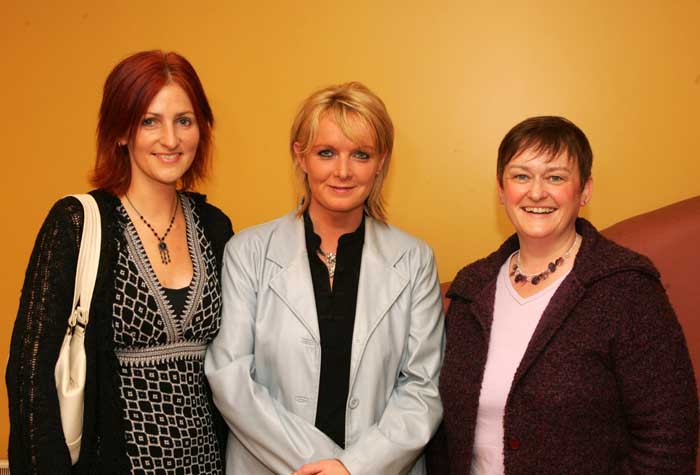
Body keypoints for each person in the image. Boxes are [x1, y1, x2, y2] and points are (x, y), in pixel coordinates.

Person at [426, 116, 699, 474]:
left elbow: (670, 435)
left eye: (555, 177)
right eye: (521, 176)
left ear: (584, 190)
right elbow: (446, 435)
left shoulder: (626, 289)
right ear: (501, 189)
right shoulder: (470, 289)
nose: (536, 192)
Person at [6, 50, 233, 474]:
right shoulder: (76, 224)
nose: (171, 139)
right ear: (121, 131)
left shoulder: (215, 227)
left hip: (208, 464)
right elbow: (30, 377)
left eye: (184, 120)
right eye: (150, 121)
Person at [205, 81, 444, 475]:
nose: (343, 171)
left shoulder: (414, 260)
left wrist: (353, 469)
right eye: (326, 152)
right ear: (300, 155)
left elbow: (423, 388)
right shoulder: (248, 252)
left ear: (381, 160)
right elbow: (230, 378)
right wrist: (324, 467)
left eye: (361, 154)